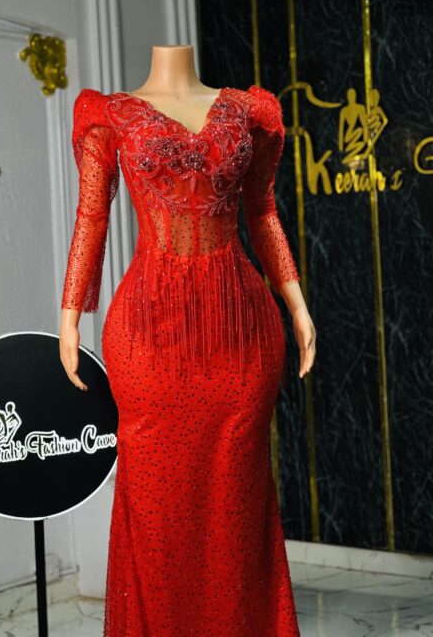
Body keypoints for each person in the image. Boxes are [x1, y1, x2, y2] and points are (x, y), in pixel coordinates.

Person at [60, 45, 315, 636]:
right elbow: (92, 217)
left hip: (240, 335)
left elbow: (262, 211)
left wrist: (297, 306)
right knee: (157, 516)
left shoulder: (249, 111)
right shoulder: (109, 114)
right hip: (148, 340)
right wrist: (70, 315)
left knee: (237, 513)